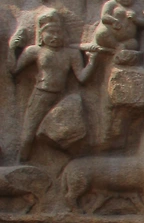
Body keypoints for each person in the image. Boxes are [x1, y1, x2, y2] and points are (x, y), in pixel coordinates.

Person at [11, 11, 93, 161]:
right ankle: (21, 161)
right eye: (50, 32)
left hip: (61, 96)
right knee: (28, 134)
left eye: (58, 32)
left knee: (69, 131)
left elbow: (81, 77)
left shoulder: (71, 53)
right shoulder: (35, 51)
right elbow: (14, 70)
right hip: (41, 95)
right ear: (41, 35)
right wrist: (12, 48)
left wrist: (93, 61)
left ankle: (65, 163)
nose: (55, 36)